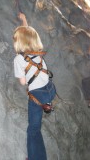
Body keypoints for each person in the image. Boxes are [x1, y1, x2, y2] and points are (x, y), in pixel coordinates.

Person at [13, 13, 56, 160]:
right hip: (50, 90)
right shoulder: (38, 53)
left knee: (33, 130)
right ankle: (47, 103)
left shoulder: (19, 59)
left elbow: (23, 82)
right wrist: (24, 20)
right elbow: (29, 34)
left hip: (37, 95)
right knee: (43, 90)